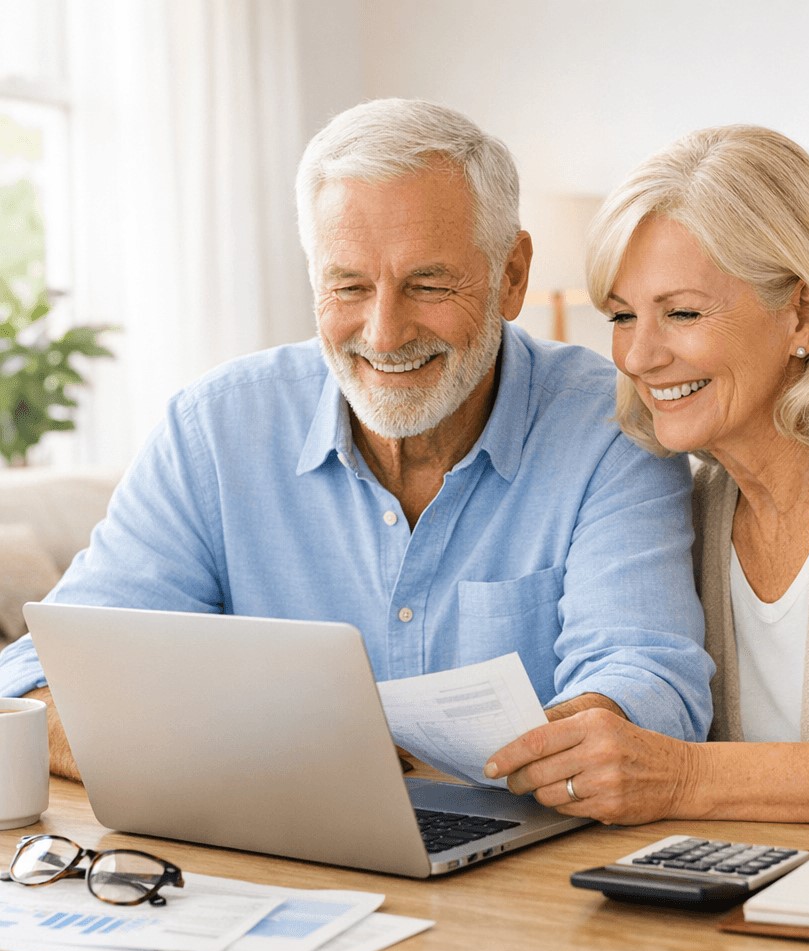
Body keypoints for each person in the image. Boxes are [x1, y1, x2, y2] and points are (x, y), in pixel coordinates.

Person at [0, 98, 714, 780]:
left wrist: (571, 745)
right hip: (265, 848)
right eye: (347, 288)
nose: (383, 335)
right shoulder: (215, 430)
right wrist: (256, 770)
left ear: (512, 276)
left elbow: (648, 685)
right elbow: (37, 682)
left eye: (428, 286)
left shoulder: (611, 427)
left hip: (520, 861)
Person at [484, 124, 809, 829]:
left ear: (801, 311)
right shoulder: (704, 499)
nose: (640, 355)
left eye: (681, 312)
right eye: (620, 316)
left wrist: (684, 779)